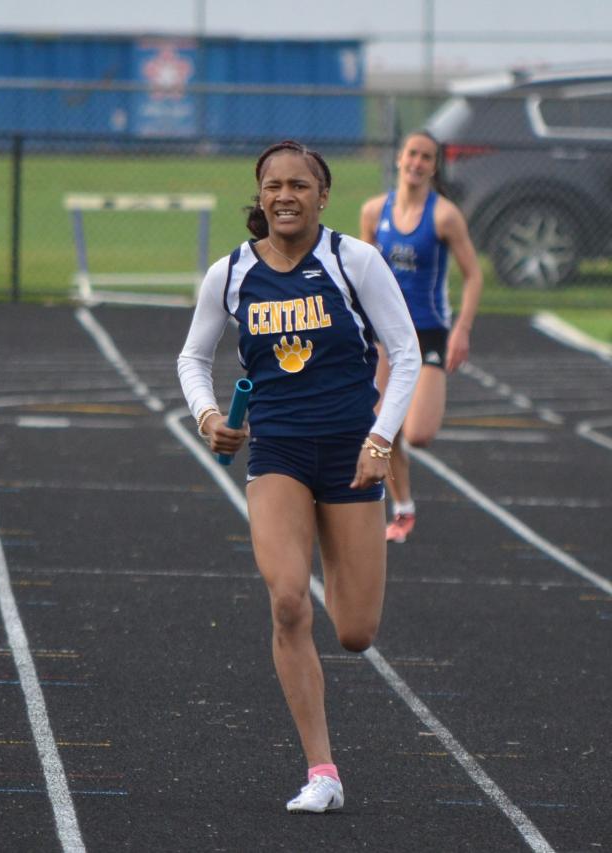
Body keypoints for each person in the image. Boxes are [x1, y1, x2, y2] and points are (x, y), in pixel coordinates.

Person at [177, 140, 420, 813]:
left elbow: (405, 354)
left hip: (350, 453)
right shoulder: (229, 274)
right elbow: (192, 357)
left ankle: (348, 589)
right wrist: (206, 416)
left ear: (322, 195)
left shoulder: (353, 261)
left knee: (355, 631)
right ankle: (322, 770)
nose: (285, 196)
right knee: (287, 600)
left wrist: (380, 440)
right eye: (273, 185)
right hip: (277, 454)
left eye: (299, 185)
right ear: (260, 196)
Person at [359, 129, 483, 543]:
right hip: (383, 334)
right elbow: (359, 273)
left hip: (428, 333)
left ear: (434, 166)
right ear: (399, 158)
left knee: (418, 434)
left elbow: (473, 275)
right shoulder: (375, 212)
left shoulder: (445, 216)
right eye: (412, 154)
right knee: (382, 425)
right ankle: (403, 508)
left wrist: (461, 330)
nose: (416, 162)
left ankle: (401, 500)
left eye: (426, 157)